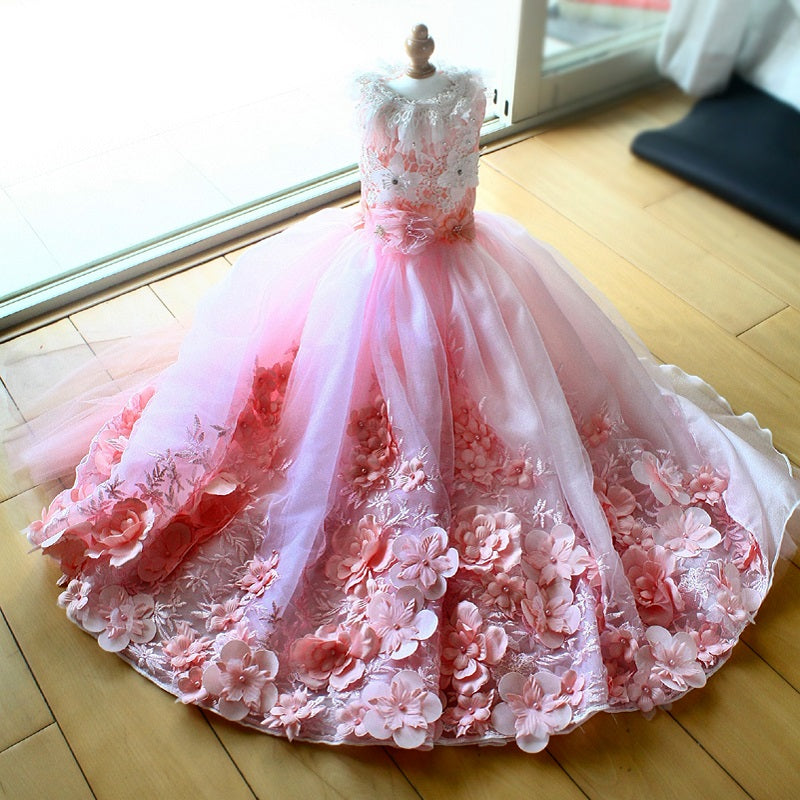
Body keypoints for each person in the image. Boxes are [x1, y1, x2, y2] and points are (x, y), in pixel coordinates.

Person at [19, 26, 799, 751]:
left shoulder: (463, 91)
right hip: (368, 283)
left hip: (466, 276)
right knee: (305, 421)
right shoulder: (377, 93)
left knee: (522, 417)